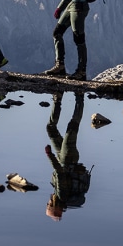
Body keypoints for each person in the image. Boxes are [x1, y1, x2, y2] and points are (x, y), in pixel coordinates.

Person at [44, 91, 92, 221]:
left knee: (51, 128)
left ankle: (57, 99)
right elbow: (59, 172)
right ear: (53, 206)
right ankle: (79, 97)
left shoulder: (61, 195)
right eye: (49, 205)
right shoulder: (62, 195)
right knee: (72, 127)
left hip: (63, 158)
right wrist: (49, 155)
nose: (48, 202)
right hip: (67, 158)